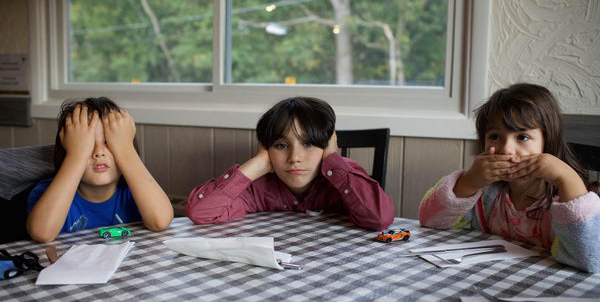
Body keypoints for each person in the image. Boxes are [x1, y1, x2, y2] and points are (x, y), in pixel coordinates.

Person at [418, 83, 600, 273]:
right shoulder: (484, 193)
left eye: (522, 137)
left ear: (548, 143)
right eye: (495, 136)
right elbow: (430, 221)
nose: (506, 150)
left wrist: (567, 177)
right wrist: (469, 181)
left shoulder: (567, 198)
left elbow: (591, 258)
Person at [185, 97, 394, 231]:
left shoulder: (342, 175)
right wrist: (257, 164)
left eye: (309, 144)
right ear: (266, 150)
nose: (295, 157)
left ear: (328, 145)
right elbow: (200, 213)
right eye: (282, 145)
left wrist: (333, 159)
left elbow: (380, 218)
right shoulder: (256, 187)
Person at [26, 97, 173, 243]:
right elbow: (42, 233)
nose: (99, 153)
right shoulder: (45, 192)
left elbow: (160, 221)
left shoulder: (135, 193)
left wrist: (125, 150)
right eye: (87, 145)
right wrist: (76, 155)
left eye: (108, 143)